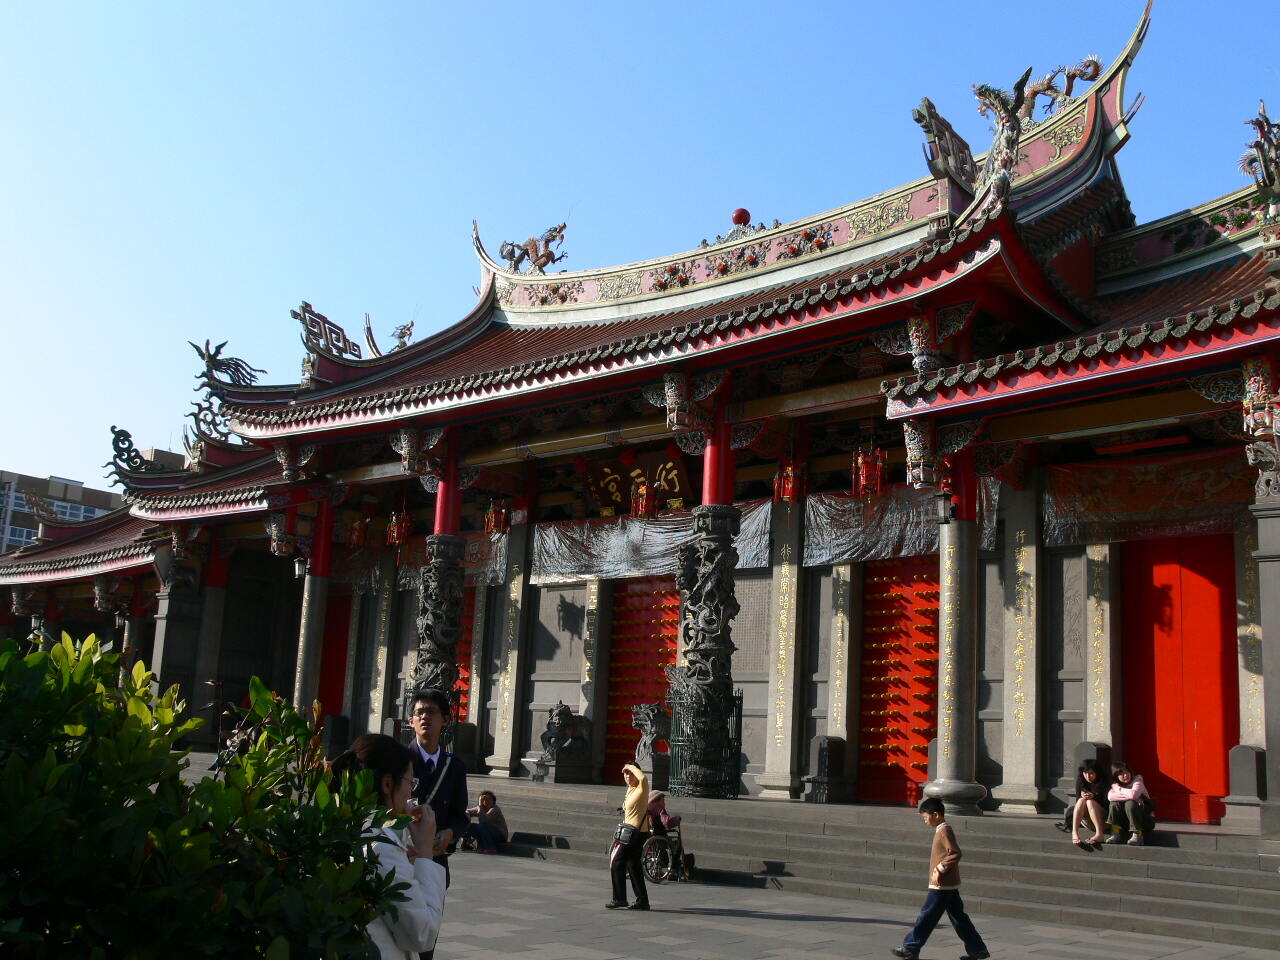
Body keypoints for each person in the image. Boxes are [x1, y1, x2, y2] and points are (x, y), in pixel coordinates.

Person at [331, 734, 446, 960]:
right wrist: (424, 853)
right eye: (410, 783)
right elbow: (420, 934)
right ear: (387, 783)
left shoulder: (342, 829)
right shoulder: (380, 846)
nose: (410, 794)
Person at [406, 688, 469, 960]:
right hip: (403, 859)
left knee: (428, 933)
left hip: (435, 861)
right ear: (411, 721)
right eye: (419, 712)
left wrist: (450, 833)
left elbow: (460, 814)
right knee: (403, 932)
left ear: (445, 719)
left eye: (431, 712)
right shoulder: (400, 761)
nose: (425, 718)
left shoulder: (453, 766)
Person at [891, 797, 990, 960]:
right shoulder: (941, 829)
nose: (924, 820)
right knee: (959, 918)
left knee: (927, 916)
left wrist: (939, 869)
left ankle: (910, 948)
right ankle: (978, 949)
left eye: (925, 817)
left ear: (936, 814)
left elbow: (955, 853)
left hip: (942, 884)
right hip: (948, 884)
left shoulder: (944, 830)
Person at [606, 762, 651, 911]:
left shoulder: (641, 788)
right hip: (631, 832)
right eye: (625, 773)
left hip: (634, 833)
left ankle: (619, 898)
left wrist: (629, 766)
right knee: (633, 865)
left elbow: (643, 778)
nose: (627, 776)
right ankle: (642, 901)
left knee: (617, 861)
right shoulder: (630, 789)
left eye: (630, 773)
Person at [1105, 760, 1152, 846]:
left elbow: (1133, 794)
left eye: (1127, 772)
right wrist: (1132, 797)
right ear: (1116, 776)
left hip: (1144, 821)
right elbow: (1110, 797)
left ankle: (1138, 835)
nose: (1125, 775)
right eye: (1121, 774)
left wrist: (1119, 790)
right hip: (1125, 823)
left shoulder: (1138, 781)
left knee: (1130, 803)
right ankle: (1115, 833)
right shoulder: (1116, 785)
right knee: (1114, 803)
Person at [1071, 759, 1108, 845]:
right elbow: (1077, 802)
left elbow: (1107, 803)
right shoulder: (1080, 780)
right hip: (1086, 821)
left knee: (1090, 802)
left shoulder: (1104, 781)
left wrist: (1095, 796)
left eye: (1091, 773)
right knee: (1081, 800)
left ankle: (1099, 834)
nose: (1088, 776)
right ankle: (1074, 832)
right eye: (1085, 773)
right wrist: (1082, 796)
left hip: (1104, 820)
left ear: (1097, 772)